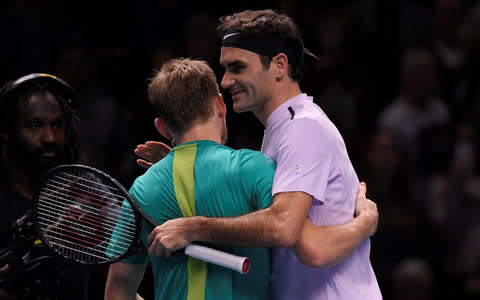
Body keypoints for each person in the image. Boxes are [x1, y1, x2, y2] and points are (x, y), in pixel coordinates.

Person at [144, 9, 382, 299]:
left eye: (237, 68)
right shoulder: (283, 130)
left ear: (279, 65)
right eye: (225, 69)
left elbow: (286, 230)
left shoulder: (303, 128)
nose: (225, 81)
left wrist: (193, 228)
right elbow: (272, 221)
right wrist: (182, 169)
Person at [0, 73, 90, 299]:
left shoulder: (88, 194)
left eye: (57, 125)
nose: (49, 137)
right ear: (7, 130)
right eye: (35, 125)